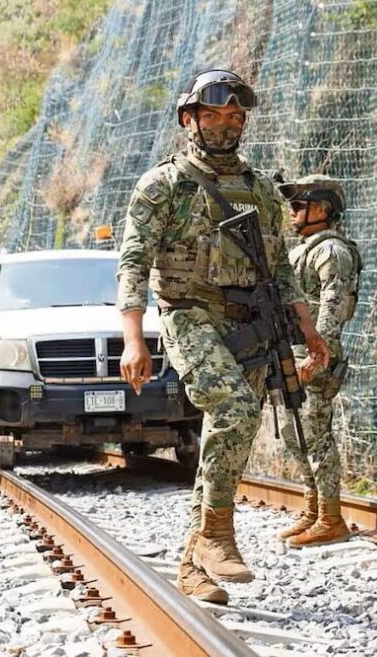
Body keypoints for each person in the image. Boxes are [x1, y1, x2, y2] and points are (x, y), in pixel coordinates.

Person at [116, 70, 330, 603]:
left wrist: (308, 329)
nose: (225, 124)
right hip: (189, 314)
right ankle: (216, 534)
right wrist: (133, 338)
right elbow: (133, 262)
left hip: (250, 321)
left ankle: (193, 566)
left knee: (229, 434)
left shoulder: (259, 188)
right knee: (234, 410)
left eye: (235, 116)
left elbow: (279, 268)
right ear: (189, 119)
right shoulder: (163, 184)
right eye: (212, 114)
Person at [275, 175, 362, 547]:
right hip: (292, 354)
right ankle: (312, 509)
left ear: (322, 208)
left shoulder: (331, 250)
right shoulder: (304, 250)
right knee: (294, 434)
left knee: (316, 436)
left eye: (299, 205)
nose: (293, 213)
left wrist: (317, 351)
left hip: (314, 355)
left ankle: (330, 517)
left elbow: (333, 303)